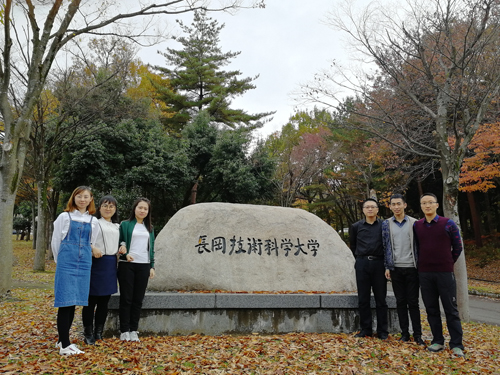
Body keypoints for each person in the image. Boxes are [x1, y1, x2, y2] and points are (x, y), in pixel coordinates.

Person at [414, 193, 465, 357]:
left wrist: (448, 263)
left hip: (444, 273)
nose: (427, 205)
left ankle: (456, 344)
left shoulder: (448, 224)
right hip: (425, 273)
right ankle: (437, 340)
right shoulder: (417, 226)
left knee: (450, 309)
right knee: (431, 309)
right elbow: (417, 247)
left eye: (430, 202)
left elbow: (458, 246)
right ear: (421, 206)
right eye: (424, 203)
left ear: (437, 205)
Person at [51, 186, 100, 355]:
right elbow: (56, 240)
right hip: (66, 262)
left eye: (86, 196)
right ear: (74, 197)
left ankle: (61, 340)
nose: (82, 199)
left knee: (74, 302)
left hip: (84, 263)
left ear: (90, 199)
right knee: (65, 301)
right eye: (79, 196)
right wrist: (61, 261)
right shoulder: (64, 217)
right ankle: (65, 344)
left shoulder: (93, 221)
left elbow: (91, 242)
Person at [382, 194, 424, 345]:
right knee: (400, 301)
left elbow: (420, 246)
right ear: (390, 206)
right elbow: (385, 246)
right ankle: (404, 333)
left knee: (413, 302)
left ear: (405, 205)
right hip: (396, 268)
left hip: (412, 267)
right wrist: (387, 266)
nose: (396, 207)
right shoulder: (386, 224)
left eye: (399, 204)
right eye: (393, 204)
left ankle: (418, 334)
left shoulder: (415, 223)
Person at [82, 195, 124, 345]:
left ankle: (99, 332)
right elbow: (84, 239)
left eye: (111, 206)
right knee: (90, 300)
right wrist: (92, 248)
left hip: (110, 264)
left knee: (104, 301)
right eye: (105, 205)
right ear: (99, 208)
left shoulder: (117, 226)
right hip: (95, 263)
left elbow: (122, 241)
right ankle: (88, 333)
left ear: (115, 209)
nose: (108, 209)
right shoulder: (93, 223)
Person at [118, 197, 155, 342]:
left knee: (138, 299)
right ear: (135, 208)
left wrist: (152, 266)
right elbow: (120, 242)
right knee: (126, 298)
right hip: (127, 265)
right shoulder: (125, 225)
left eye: (145, 209)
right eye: (140, 207)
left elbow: (151, 248)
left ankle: (134, 330)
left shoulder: (150, 228)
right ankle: (124, 330)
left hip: (144, 265)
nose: (142, 210)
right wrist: (124, 253)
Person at [349, 198, 388, 339]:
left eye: (373, 207)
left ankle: (383, 331)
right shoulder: (356, 226)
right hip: (362, 263)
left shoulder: (384, 225)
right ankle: (366, 329)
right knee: (363, 298)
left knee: (381, 299)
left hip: (379, 263)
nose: (370, 209)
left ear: (378, 209)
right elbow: (353, 246)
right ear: (363, 210)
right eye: (367, 207)